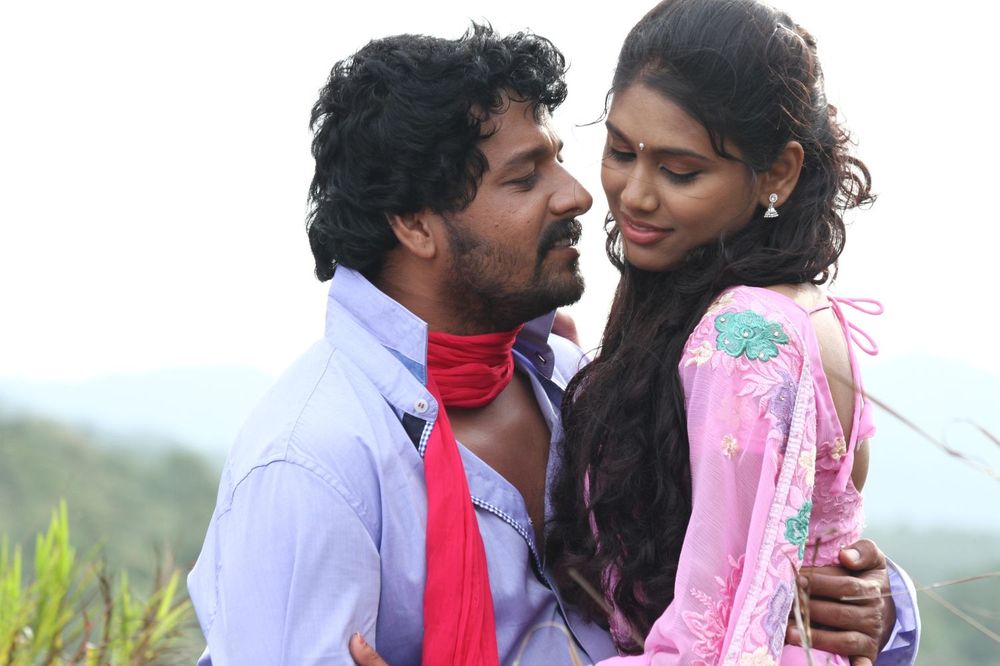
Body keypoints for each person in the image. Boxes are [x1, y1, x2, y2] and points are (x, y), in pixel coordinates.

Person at [188, 23, 917, 666]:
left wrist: (872, 609)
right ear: (414, 224)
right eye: (525, 177)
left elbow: (726, 582)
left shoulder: (575, 380)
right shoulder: (312, 460)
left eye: (562, 158)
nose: (579, 194)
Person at [545, 0, 920, 664]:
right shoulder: (791, 306)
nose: (635, 194)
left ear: (777, 173)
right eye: (621, 151)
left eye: (680, 171)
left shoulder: (746, 335)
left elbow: (708, 646)